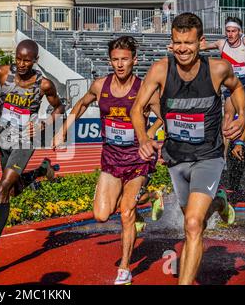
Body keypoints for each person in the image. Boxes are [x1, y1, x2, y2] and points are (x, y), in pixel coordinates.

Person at [131, 13, 245, 285]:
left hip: (208, 156)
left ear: (201, 42)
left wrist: (244, 119)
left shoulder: (217, 69)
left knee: (192, 225)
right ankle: (219, 202)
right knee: (194, 220)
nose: (183, 49)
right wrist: (144, 139)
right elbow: (137, 108)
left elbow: (238, 88)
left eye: (189, 43)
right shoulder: (160, 69)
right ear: (171, 43)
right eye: (178, 42)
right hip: (176, 158)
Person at [53, 36, 164, 285]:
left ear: (134, 60)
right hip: (111, 159)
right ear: (109, 61)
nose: (120, 65)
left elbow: (165, 115)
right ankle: (153, 196)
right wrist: (63, 131)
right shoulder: (100, 86)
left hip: (138, 159)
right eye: (115, 60)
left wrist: (148, 135)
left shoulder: (145, 89)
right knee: (102, 215)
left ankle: (124, 269)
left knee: (126, 212)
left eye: (125, 59)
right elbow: (81, 105)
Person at [0, 39, 64, 268]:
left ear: (35, 61)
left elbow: (59, 107)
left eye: (27, 60)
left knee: (2, 188)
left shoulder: (44, 85)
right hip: (4, 137)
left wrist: (43, 124)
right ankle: (41, 171)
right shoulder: (3, 74)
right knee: (12, 191)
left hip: (25, 139)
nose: (21, 64)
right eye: (18, 59)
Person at [200, 16, 245, 202]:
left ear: (240, 32)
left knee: (243, 112)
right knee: (227, 117)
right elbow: (202, 48)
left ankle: (240, 142)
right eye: (228, 31)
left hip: (244, 83)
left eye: (234, 31)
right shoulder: (221, 44)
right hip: (230, 84)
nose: (231, 34)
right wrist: (199, 43)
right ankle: (223, 160)